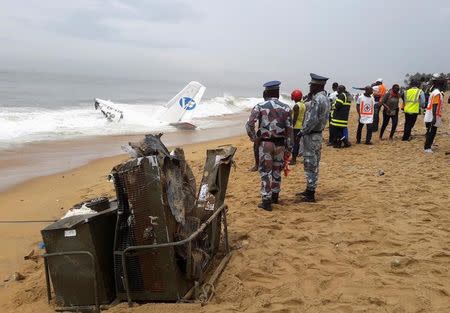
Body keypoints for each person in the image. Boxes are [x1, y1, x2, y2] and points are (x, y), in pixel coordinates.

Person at [246, 81, 293, 211]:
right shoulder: (286, 108)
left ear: (266, 92)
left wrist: (254, 138)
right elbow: (290, 130)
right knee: (277, 171)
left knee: (265, 172)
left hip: (266, 143)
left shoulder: (260, 106)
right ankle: (275, 196)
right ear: (277, 93)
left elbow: (249, 124)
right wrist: (289, 148)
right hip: (280, 144)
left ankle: (266, 200)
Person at [295, 73, 330, 202]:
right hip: (318, 134)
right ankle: (309, 189)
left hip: (311, 135)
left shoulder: (318, 99)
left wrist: (302, 132)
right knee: (314, 163)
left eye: (312, 85)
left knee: (310, 163)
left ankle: (310, 193)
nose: (310, 87)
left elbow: (312, 120)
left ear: (316, 85)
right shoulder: (324, 98)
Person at [249, 90, 269, 171]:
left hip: (263, 132)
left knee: (256, 146)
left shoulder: (260, 107)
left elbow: (250, 123)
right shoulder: (282, 107)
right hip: (277, 132)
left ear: (264, 97)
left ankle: (257, 165)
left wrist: (253, 136)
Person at [424, 76, 445, 153]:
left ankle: (429, 145)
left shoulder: (436, 92)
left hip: (433, 115)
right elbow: (434, 105)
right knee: (431, 132)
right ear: (440, 85)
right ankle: (427, 147)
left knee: (433, 131)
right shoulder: (437, 93)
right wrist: (434, 117)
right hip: (432, 115)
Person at [290, 89, 306, 165]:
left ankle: (293, 159)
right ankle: (294, 158)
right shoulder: (303, 104)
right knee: (298, 142)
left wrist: (291, 127)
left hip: (296, 127)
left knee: (295, 143)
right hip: (301, 126)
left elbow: (294, 118)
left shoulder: (296, 106)